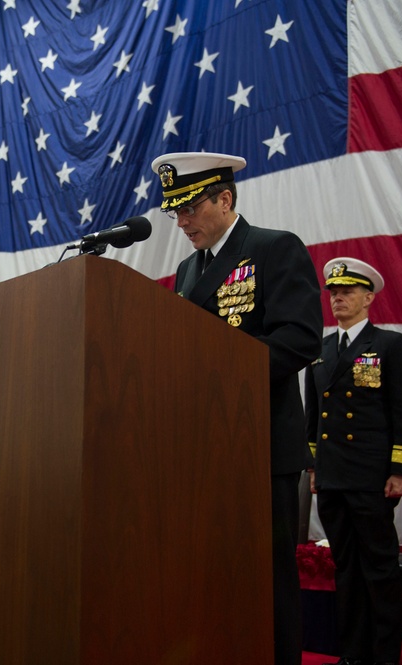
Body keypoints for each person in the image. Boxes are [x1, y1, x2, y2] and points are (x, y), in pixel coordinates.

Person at [152, 152, 323, 665]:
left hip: (260, 444)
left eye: (189, 209)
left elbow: (300, 339)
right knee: (209, 574)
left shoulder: (273, 249)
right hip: (200, 449)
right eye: (174, 213)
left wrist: (217, 371)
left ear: (225, 199)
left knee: (265, 577)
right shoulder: (185, 271)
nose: (181, 223)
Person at [305, 258, 402, 665]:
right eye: (334, 293)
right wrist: (315, 469)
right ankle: (353, 654)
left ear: (368, 297)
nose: (338, 298)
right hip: (334, 478)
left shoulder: (390, 345)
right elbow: (314, 417)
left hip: (374, 478)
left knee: (378, 569)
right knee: (346, 570)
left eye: (348, 292)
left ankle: (384, 655)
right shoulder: (320, 352)